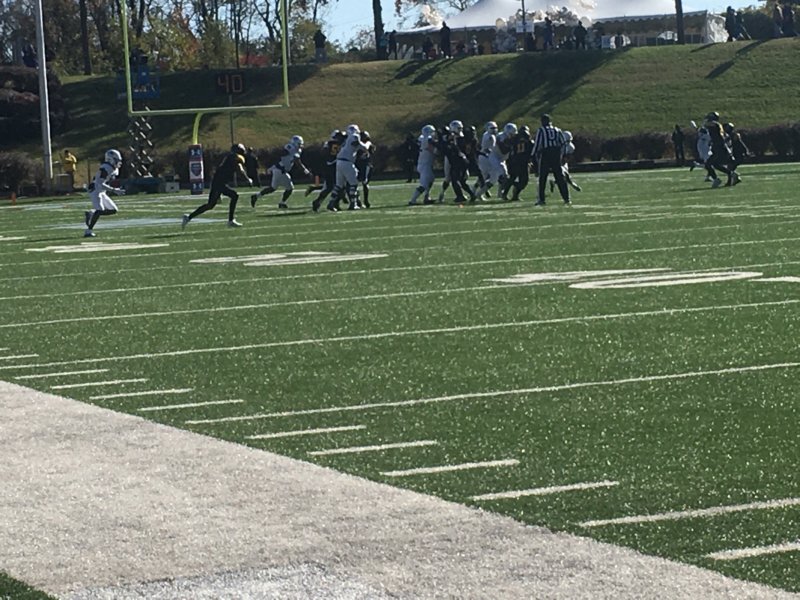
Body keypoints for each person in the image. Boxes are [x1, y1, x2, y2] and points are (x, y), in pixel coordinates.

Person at [182, 143, 251, 230]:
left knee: (211, 205)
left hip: (219, 182)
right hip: (219, 183)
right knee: (234, 196)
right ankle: (230, 220)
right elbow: (240, 169)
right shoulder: (235, 157)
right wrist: (248, 179)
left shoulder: (230, 157)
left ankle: (188, 217)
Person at [251, 135, 311, 209]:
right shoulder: (290, 148)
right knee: (290, 188)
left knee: (273, 188)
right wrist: (306, 172)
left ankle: (256, 196)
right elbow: (297, 162)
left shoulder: (297, 150)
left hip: (279, 170)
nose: (301, 146)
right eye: (299, 144)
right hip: (280, 170)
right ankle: (282, 203)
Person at [84, 149, 125, 237]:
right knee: (100, 210)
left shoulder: (113, 169)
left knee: (113, 210)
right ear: (111, 159)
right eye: (116, 160)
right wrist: (114, 190)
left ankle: (91, 213)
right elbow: (100, 183)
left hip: (101, 191)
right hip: (95, 190)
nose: (118, 162)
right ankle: (88, 231)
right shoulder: (106, 168)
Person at [328, 123, 369, 211]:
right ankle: (353, 204)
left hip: (339, 161)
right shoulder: (354, 136)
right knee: (354, 184)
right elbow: (358, 144)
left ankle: (331, 203)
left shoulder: (346, 139)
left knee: (339, 185)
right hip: (347, 162)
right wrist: (367, 144)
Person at [531, 114, 570, 206]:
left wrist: (532, 155)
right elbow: (563, 143)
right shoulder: (557, 130)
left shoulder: (541, 130)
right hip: (556, 153)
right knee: (559, 177)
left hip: (546, 154)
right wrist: (563, 154)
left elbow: (537, 144)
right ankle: (566, 198)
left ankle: (541, 199)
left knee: (543, 177)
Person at [309, 130, 345, 212]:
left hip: (328, 166)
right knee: (340, 186)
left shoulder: (328, 144)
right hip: (334, 166)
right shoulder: (339, 144)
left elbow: (323, 153)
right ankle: (334, 203)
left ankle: (318, 201)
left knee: (330, 187)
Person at [408, 124, 437, 206]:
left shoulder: (422, 138)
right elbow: (434, 150)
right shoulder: (427, 140)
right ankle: (412, 200)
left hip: (424, 163)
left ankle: (427, 197)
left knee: (431, 180)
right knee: (424, 185)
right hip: (425, 165)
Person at [355, 130, 375, 208]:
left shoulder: (368, 144)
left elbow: (372, 151)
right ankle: (359, 201)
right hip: (359, 165)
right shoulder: (359, 144)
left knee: (365, 182)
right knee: (356, 183)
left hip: (366, 165)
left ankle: (365, 201)